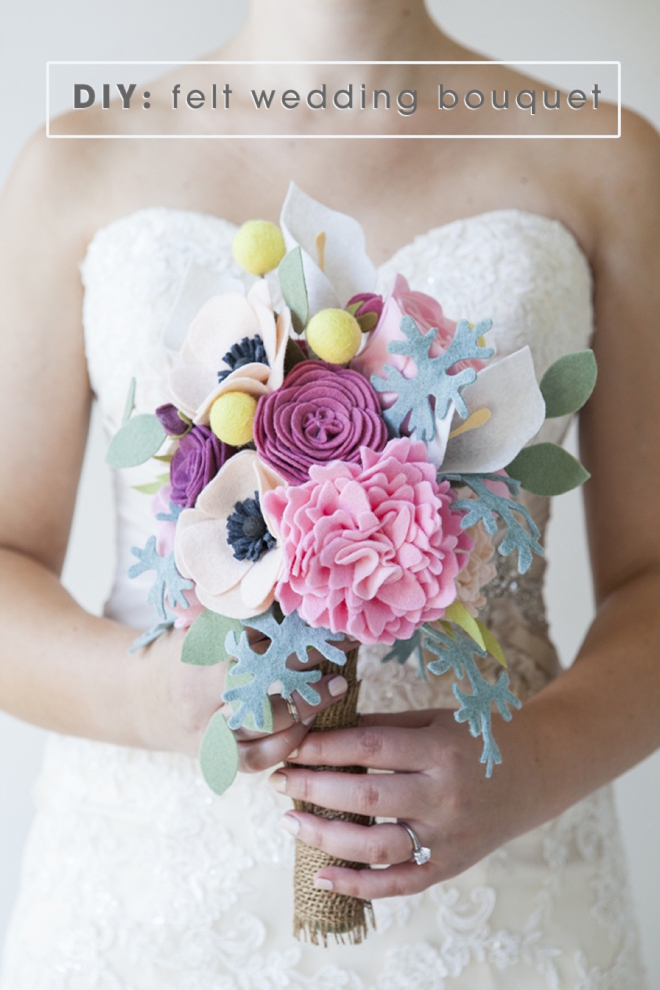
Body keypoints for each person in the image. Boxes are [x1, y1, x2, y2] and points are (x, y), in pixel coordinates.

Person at [1, 0, 659, 985]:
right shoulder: (75, 159)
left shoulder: (607, 159)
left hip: (505, 894)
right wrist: (151, 698)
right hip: (145, 892)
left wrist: (536, 766)